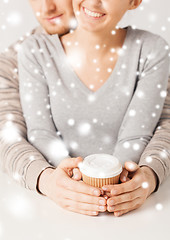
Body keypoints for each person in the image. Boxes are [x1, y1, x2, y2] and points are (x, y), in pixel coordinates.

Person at [0, 0, 169, 217]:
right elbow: (7, 137)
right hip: (54, 211)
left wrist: (149, 174)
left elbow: (162, 122)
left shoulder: (148, 50)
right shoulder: (25, 56)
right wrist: (48, 181)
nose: (46, 8)